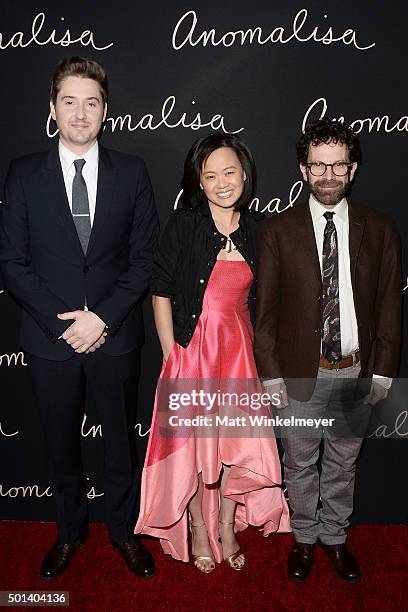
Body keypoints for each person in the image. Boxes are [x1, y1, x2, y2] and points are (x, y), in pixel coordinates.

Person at [0, 57, 159, 579]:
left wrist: (103, 319)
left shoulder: (132, 172)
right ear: (53, 108)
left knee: (120, 444)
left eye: (91, 102)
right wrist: (63, 323)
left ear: (105, 110)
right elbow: (13, 263)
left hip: (114, 339)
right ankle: (69, 533)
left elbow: (143, 261)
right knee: (61, 443)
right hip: (51, 341)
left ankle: (123, 533)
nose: (80, 112)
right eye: (69, 101)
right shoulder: (23, 174)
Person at [254, 118, 402, 583]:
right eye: (319, 165)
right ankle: (302, 539)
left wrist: (382, 371)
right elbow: (266, 312)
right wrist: (272, 374)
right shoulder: (278, 230)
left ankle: (335, 539)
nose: (329, 174)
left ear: (353, 168)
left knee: (342, 463)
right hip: (299, 372)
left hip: (354, 371)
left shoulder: (379, 229)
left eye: (339, 164)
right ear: (303, 169)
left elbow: (389, 307)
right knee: (299, 462)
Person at [135, 133, 290, 573]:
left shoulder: (262, 229)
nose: (222, 182)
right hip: (192, 350)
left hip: (239, 353)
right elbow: (160, 289)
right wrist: (172, 355)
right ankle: (198, 527)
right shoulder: (185, 223)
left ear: (245, 175)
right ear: (198, 183)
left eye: (230, 172)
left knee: (232, 446)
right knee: (198, 446)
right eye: (210, 175)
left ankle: (226, 525)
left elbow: (272, 300)